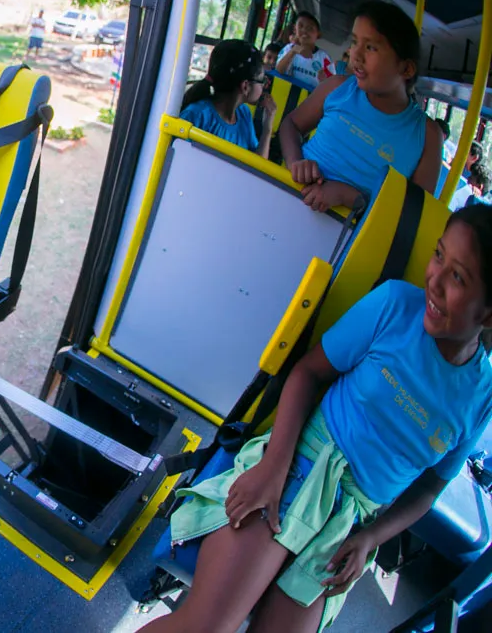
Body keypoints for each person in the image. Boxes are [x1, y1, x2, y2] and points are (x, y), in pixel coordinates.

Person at [139, 203, 492, 633]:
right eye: (438, 255)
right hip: (297, 469)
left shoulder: (482, 396)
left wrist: (370, 539)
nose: (434, 280)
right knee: (206, 626)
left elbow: (429, 488)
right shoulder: (396, 307)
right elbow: (307, 372)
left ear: (488, 314)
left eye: (458, 277)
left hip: (349, 526)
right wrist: (273, 467)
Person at [280, 1, 442, 212]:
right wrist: (295, 163)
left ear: (406, 68)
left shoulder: (427, 136)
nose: (356, 54)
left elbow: (410, 218)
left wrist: (349, 197)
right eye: (355, 42)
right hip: (288, 200)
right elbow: (290, 124)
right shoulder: (337, 87)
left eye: (370, 47)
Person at [180, 40, 276, 158]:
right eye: (262, 81)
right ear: (245, 86)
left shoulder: (244, 114)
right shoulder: (197, 115)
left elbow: (258, 168)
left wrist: (267, 128)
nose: (264, 86)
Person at [276, 12, 335, 87]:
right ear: (295, 29)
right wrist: (293, 51)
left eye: (310, 28)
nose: (304, 30)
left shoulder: (324, 57)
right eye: (300, 26)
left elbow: (330, 85)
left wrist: (324, 81)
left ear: (318, 34)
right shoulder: (289, 48)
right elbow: (279, 70)